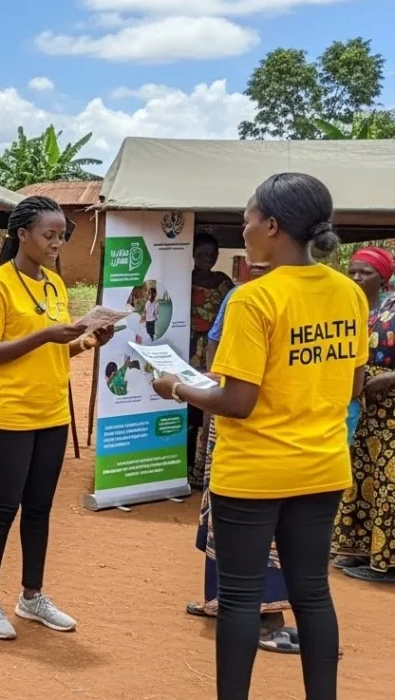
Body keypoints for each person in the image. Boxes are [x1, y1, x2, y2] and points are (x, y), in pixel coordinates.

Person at [152, 173, 365, 700]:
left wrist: (177, 386)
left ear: (271, 226)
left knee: (241, 600)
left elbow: (238, 403)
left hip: (254, 473)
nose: (243, 228)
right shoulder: (349, 293)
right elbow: (352, 385)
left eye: (247, 218)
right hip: (322, 467)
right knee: (313, 595)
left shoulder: (253, 299)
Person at [0, 195, 112, 641]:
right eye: (49, 235)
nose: (56, 244)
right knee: (3, 507)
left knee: (39, 508)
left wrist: (86, 341)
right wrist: (44, 334)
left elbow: (55, 352)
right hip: (8, 415)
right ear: (22, 234)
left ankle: (32, 596)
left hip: (51, 413)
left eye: (61, 236)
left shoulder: (55, 285)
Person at [185, 262, 305, 654]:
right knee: (221, 517)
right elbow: (217, 348)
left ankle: (267, 617)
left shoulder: (287, 299)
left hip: (265, 428)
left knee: (258, 524)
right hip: (235, 423)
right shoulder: (240, 295)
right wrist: (211, 386)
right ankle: (222, 600)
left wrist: (181, 390)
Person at [333, 245, 395, 583]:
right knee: (359, 474)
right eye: (353, 271)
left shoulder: (392, 307)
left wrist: (389, 378)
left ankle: (388, 560)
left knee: (389, 480)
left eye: (365, 272)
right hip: (360, 406)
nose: (356, 277)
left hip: (391, 409)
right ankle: (358, 547)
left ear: (382, 277)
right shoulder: (347, 306)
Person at [188, 232, 236, 487]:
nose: (207, 258)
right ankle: (185, 466)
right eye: (202, 254)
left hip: (215, 348)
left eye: (212, 254)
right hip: (189, 349)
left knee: (209, 406)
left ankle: (202, 467)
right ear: (193, 255)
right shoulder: (185, 280)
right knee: (189, 408)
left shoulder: (224, 283)